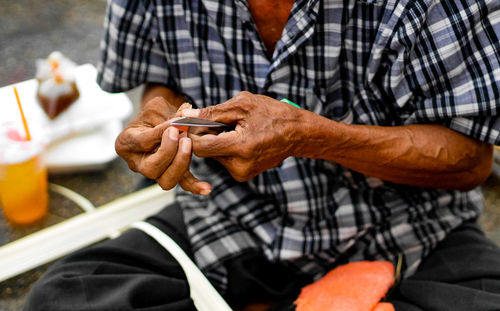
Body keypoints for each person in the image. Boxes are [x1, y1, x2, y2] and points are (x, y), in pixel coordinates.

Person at [25, 0, 500, 310]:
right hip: (235, 213)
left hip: (404, 228)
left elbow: (470, 161)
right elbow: (160, 81)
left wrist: (316, 136)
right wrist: (160, 117)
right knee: (67, 298)